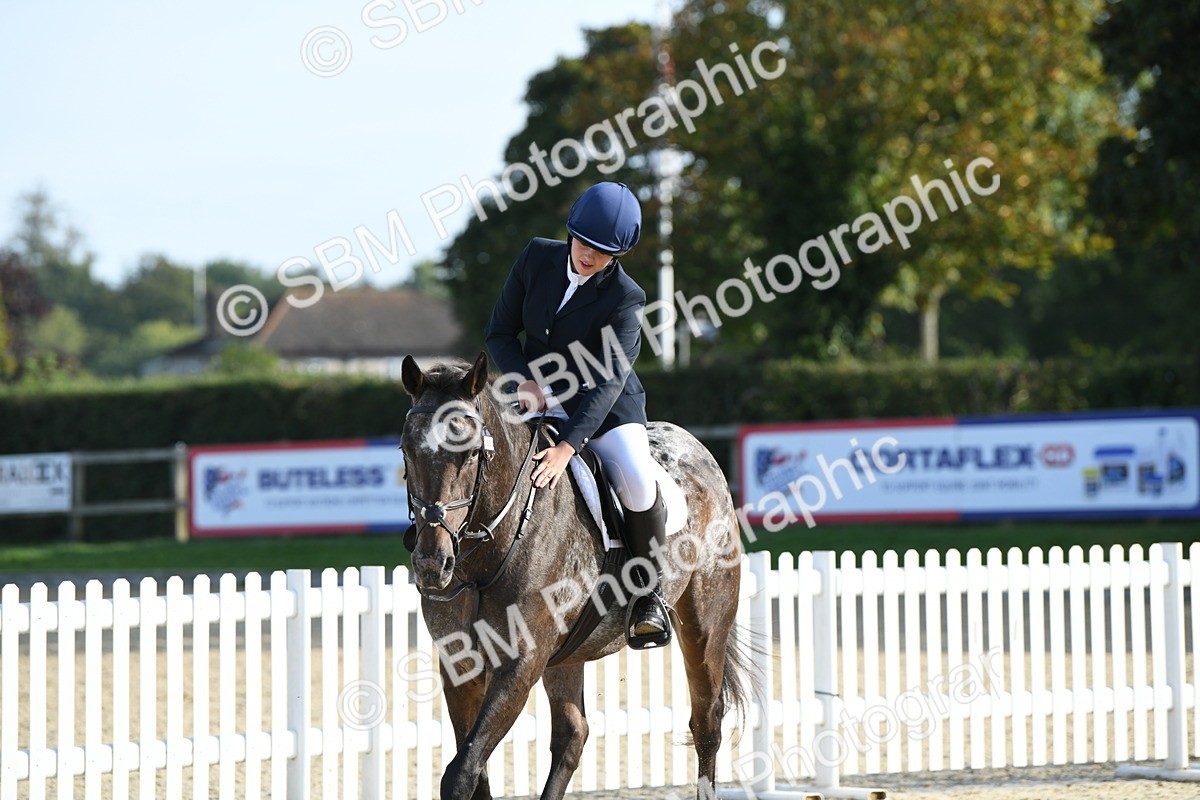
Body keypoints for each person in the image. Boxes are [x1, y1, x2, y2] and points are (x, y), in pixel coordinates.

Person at [485, 181, 672, 649]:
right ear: (571, 231)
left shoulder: (626, 299)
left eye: (603, 252)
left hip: (605, 408)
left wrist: (567, 448)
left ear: (619, 255)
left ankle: (650, 594)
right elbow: (500, 332)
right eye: (584, 243)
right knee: (478, 449)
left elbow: (608, 383)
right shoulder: (535, 258)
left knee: (634, 475)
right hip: (537, 392)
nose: (588, 256)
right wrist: (525, 379)